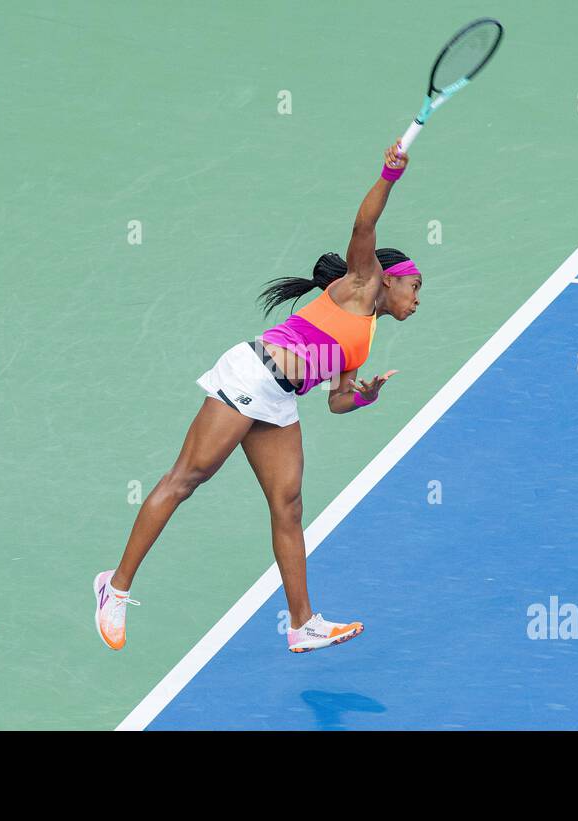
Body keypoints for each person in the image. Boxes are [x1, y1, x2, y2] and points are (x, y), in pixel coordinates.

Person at [95, 141, 422, 653]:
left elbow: (335, 401)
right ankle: (114, 588)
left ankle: (302, 623)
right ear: (390, 279)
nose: (418, 301)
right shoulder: (360, 284)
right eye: (415, 288)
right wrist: (389, 174)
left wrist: (363, 399)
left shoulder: (364, 337)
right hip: (250, 376)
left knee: (288, 506)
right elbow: (364, 226)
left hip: (279, 400)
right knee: (186, 480)